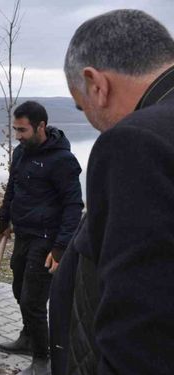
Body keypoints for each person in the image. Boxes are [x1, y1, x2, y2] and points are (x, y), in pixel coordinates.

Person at [51, 9, 174, 375]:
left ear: (96, 84)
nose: (90, 118)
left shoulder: (138, 141)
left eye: (81, 105)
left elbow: (142, 330)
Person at [0, 101, 83, 375]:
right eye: (15, 129)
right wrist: (3, 217)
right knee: (19, 290)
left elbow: (73, 206)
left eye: (22, 130)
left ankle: (42, 360)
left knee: (33, 300)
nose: (18, 136)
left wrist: (60, 247)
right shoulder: (21, 152)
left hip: (47, 238)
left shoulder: (63, 161)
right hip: (24, 233)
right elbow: (13, 186)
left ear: (41, 126)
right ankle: (28, 336)